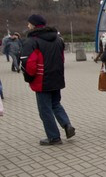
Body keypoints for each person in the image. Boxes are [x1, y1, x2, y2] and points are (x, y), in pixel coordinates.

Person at [20, 14, 76, 145]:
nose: (28, 26)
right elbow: (62, 59)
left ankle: (54, 137)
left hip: (41, 81)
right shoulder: (58, 39)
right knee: (56, 104)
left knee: (45, 109)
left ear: (33, 25)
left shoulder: (32, 41)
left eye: (29, 23)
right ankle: (67, 125)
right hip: (57, 78)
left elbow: (29, 64)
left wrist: (28, 78)